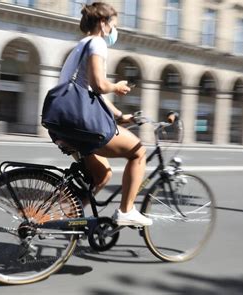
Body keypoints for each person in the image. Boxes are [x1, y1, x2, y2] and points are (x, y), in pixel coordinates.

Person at [50, 2, 152, 226]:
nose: (115, 30)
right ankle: (126, 211)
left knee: (102, 175)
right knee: (138, 152)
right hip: (80, 125)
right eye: (114, 24)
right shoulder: (97, 42)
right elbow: (98, 85)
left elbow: (89, 91)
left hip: (65, 122)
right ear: (103, 24)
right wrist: (117, 86)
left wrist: (119, 115)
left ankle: (57, 218)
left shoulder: (82, 44)